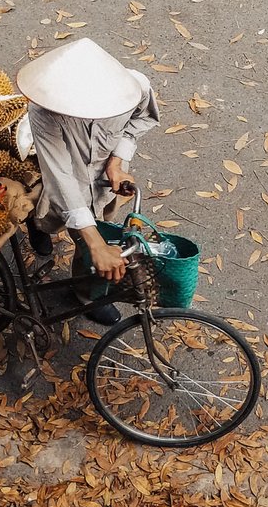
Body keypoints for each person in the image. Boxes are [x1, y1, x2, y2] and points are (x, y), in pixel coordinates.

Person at [16, 37, 160, 325]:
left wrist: (116, 162)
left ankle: (85, 296)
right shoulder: (44, 112)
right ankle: (36, 224)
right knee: (71, 226)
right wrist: (95, 244)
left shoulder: (135, 87)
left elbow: (141, 119)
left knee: (100, 235)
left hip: (103, 181)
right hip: (67, 174)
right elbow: (60, 176)